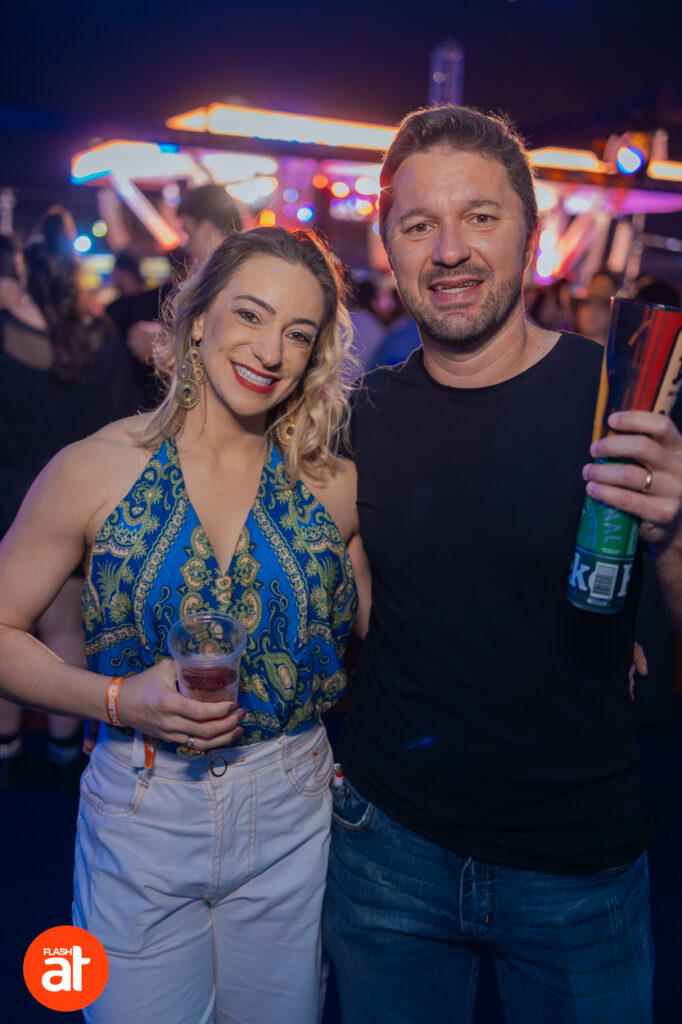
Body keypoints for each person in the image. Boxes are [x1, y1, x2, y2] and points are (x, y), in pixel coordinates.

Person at [323, 106, 682, 1024]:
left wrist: (674, 532)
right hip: (387, 850)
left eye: (480, 217)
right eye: (419, 225)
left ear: (530, 232)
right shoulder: (356, 418)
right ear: (389, 247)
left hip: (577, 864)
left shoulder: (628, 400)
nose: (449, 250)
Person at [0, 226, 369, 1023]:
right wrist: (115, 699)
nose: (269, 351)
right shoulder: (95, 468)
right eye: (251, 314)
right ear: (198, 318)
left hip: (293, 804)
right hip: (143, 802)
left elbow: (414, 635)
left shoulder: (335, 486)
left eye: (298, 333)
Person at [0, 212, 142, 787]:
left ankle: (7, 755)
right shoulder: (99, 333)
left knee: (7, 630)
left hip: (9, 495)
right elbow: (123, 420)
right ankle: (64, 757)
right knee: (65, 631)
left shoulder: (5, 330)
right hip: (80, 498)